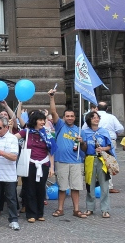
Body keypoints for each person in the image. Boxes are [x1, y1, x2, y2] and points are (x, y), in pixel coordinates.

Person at [47, 88, 87, 219]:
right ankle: (60, 209)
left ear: (75, 118)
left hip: (76, 162)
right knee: (62, 187)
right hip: (61, 161)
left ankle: (76, 210)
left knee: (76, 187)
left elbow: (85, 149)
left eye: (72, 116)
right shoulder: (60, 126)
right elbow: (53, 112)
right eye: (67, 116)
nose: (70, 118)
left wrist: (82, 142)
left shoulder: (80, 130)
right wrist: (52, 97)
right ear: (64, 118)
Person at [15, 110, 56, 223]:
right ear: (35, 121)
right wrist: (9, 127)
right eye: (40, 120)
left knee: (41, 189)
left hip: (43, 163)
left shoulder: (47, 133)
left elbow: (51, 151)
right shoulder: (26, 132)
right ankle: (31, 214)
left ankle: (40, 213)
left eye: (44, 119)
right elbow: (13, 138)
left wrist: (52, 167)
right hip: (30, 163)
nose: (43, 122)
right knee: (30, 189)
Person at [81, 111, 113, 218]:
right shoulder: (84, 132)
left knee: (104, 185)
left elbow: (109, 146)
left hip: (101, 160)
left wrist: (103, 148)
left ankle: (105, 209)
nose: (96, 119)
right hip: (90, 159)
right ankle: (90, 208)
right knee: (90, 185)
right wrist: (82, 143)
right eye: (93, 117)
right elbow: (84, 149)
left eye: (97, 117)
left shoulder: (104, 131)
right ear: (89, 120)